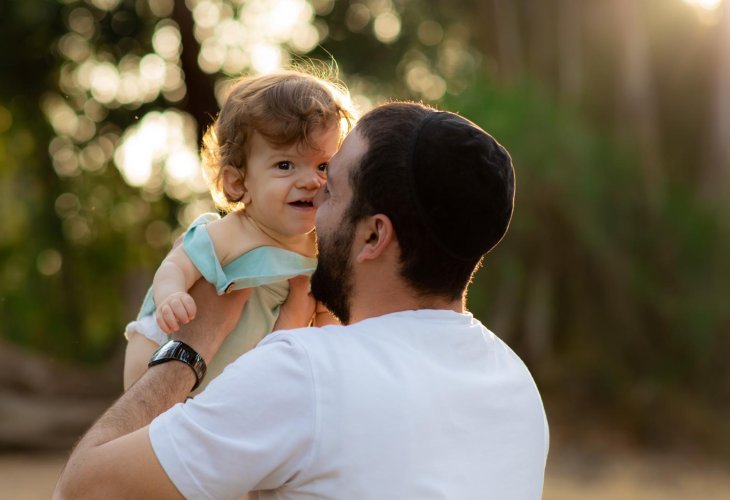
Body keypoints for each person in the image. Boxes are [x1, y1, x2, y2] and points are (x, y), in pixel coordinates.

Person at [55, 102, 549, 499]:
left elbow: (82, 489)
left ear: (374, 235)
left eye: (330, 188)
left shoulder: (305, 374)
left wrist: (191, 347)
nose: (314, 200)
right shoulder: (517, 386)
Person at [123, 70, 354, 393]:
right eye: (285, 165)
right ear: (238, 181)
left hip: (236, 387)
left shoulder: (325, 251)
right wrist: (171, 296)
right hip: (168, 352)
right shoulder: (232, 234)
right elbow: (176, 265)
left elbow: (329, 326)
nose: (310, 181)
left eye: (323, 166)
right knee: (148, 404)